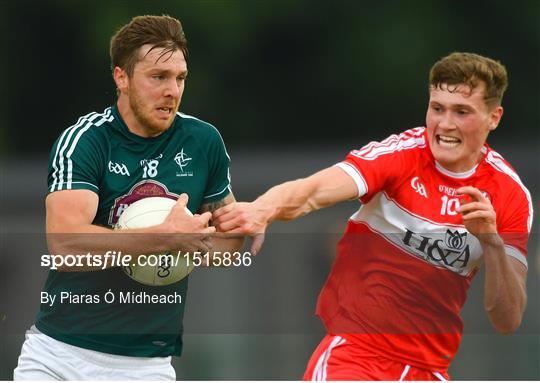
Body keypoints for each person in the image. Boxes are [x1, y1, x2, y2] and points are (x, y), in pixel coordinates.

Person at [213, 52, 533, 380]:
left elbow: (507, 320)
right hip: (355, 356)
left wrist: (491, 243)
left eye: (461, 111)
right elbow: (312, 191)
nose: (445, 124)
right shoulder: (400, 156)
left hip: (429, 371)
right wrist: (262, 209)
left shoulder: (509, 196)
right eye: (437, 108)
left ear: (493, 117)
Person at [14, 15, 242, 380]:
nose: (173, 90)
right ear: (121, 77)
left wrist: (223, 232)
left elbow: (228, 246)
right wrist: (163, 238)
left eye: (180, 77)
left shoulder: (204, 142)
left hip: (147, 368)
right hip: (59, 358)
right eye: (158, 77)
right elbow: (65, 245)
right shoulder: (86, 141)